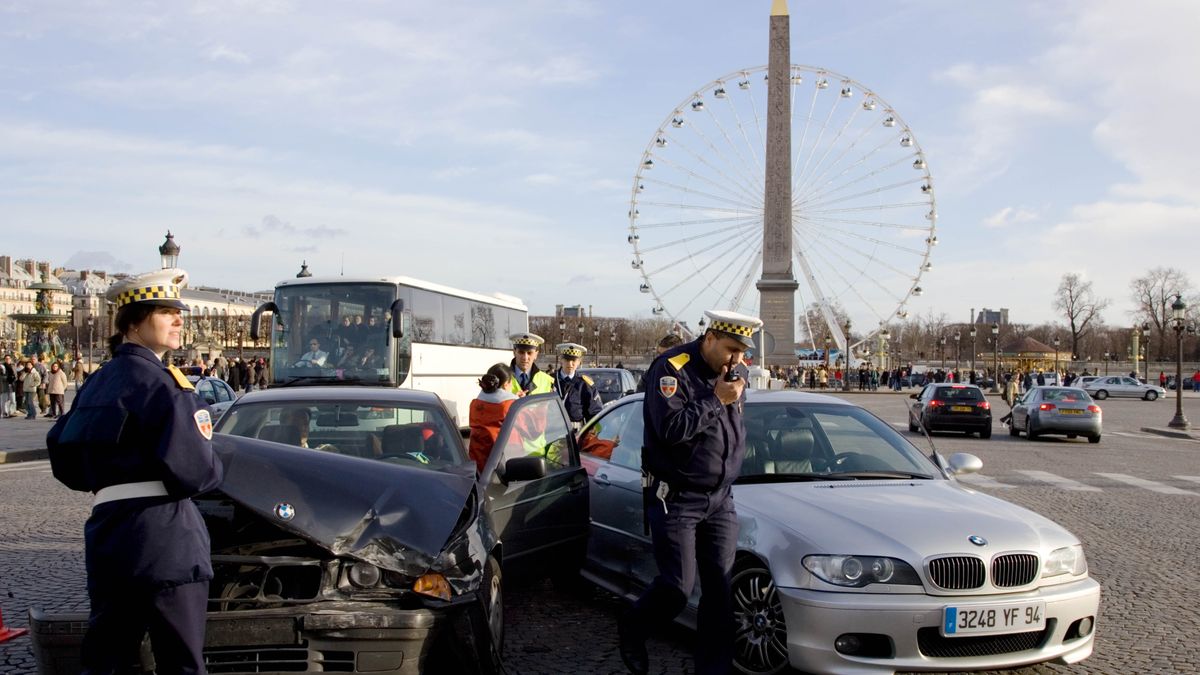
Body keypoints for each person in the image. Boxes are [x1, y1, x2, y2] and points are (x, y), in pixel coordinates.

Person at [46, 267, 223, 675]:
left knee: (106, 661)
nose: (178, 320)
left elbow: (64, 458)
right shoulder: (167, 384)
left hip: (108, 534)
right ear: (133, 322)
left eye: (178, 313)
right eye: (166, 312)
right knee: (181, 664)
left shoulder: (97, 383)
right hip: (166, 537)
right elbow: (197, 472)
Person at [618, 309, 760, 675]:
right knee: (678, 587)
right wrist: (716, 400)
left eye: (742, 353)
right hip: (677, 496)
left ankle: (713, 670)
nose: (737, 360)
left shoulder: (736, 373)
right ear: (710, 338)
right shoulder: (671, 369)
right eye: (731, 350)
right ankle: (635, 625)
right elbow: (670, 430)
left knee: (720, 590)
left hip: (721, 498)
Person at [468, 363, 518, 472]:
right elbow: (528, 429)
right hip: (498, 466)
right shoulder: (510, 405)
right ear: (506, 384)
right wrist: (520, 401)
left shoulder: (475, 403)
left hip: (476, 462)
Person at [552, 343, 603, 431]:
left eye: (574, 360)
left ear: (579, 362)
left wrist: (595, 433)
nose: (570, 364)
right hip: (552, 431)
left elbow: (595, 413)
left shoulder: (585, 384)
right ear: (561, 360)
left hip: (576, 432)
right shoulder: (549, 380)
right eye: (567, 360)